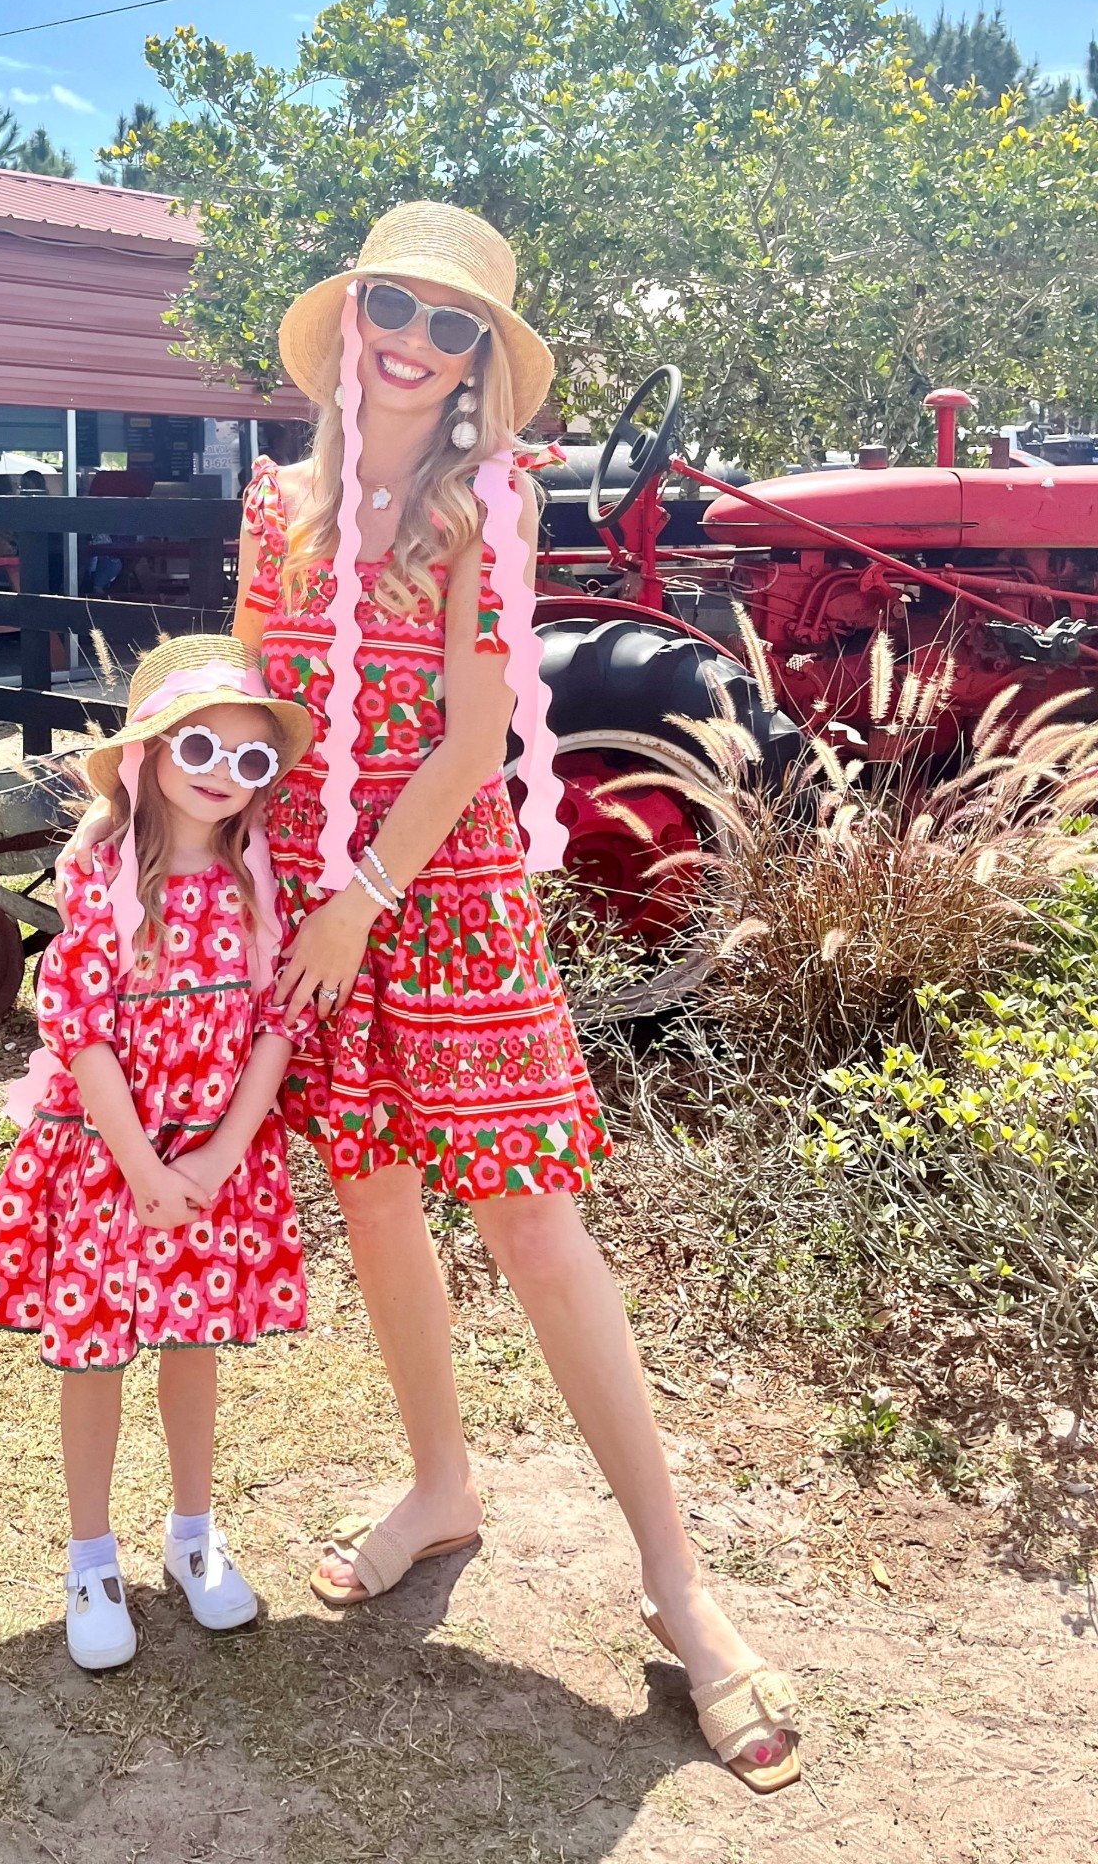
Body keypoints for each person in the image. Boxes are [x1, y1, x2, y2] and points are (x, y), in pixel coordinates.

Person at [238, 202, 801, 1793]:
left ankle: (678, 1582)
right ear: (352, 318)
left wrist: (358, 898)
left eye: (452, 325)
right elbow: (257, 696)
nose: (415, 342)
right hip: (307, 886)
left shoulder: (488, 503)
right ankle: (441, 1485)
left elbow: (476, 736)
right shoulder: (275, 502)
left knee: (533, 1223)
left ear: (482, 356)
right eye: (395, 308)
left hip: (440, 889)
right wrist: (201, 850)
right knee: (372, 1192)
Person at [0, 634, 315, 1671]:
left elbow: (279, 1024)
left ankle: (193, 1534)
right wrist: (146, 1170)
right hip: (112, 1159)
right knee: (97, 1352)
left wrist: (215, 1161)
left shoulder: (259, 878)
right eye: (200, 745)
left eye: (252, 758)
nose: (222, 772)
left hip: (213, 1160)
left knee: (191, 1342)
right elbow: (81, 1030)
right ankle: (90, 1558)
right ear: (151, 751)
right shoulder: (103, 872)